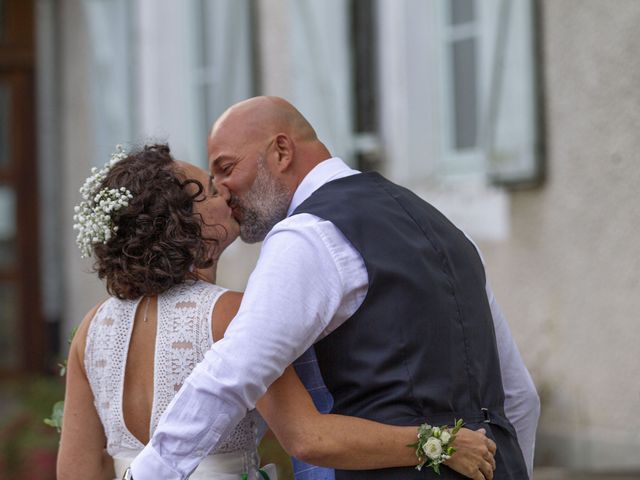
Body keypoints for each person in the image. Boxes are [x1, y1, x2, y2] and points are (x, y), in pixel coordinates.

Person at [129, 97, 541, 480]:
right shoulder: (448, 231)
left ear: (281, 152)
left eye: (225, 167)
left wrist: (146, 474)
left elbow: (233, 371)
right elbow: (519, 397)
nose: (221, 188)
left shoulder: (308, 235)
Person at [57, 144, 498, 480]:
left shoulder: (91, 329)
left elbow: (75, 471)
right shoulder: (228, 313)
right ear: (183, 224)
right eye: (210, 190)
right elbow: (308, 437)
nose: (225, 190)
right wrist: (437, 442)